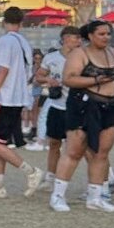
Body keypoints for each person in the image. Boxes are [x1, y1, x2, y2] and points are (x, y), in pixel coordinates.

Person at [48, 19, 114, 213]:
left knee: (101, 153)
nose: (106, 37)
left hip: (111, 106)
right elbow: (68, 78)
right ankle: (58, 195)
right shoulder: (80, 53)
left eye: (108, 34)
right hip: (83, 105)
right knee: (74, 151)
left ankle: (95, 196)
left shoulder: (113, 53)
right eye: (101, 34)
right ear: (90, 35)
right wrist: (95, 80)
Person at [0, 7, 45, 199]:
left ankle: (30, 171)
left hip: (5, 97)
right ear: (21, 23)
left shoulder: (6, 41)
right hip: (18, 96)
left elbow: (3, 70)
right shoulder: (24, 43)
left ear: (4, 21)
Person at [36, 26, 80, 195]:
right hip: (57, 105)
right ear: (65, 38)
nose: (78, 41)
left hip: (76, 106)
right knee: (54, 143)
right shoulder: (51, 57)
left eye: (79, 38)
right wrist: (48, 80)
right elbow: (39, 76)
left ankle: (104, 180)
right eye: (75, 37)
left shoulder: (82, 57)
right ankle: (50, 178)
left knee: (77, 147)